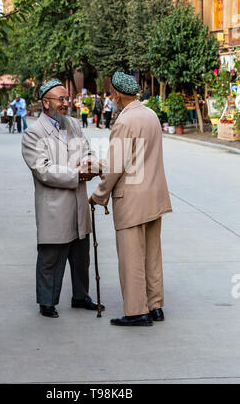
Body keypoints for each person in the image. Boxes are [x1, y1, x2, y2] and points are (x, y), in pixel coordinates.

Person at [89, 71, 172, 327]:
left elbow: (116, 166)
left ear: (116, 94)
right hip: (153, 196)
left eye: (111, 93)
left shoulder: (124, 121)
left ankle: (137, 312)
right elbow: (135, 157)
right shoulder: (150, 115)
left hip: (131, 198)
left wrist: (98, 195)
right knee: (152, 256)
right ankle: (155, 305)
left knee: (131, 257)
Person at [22, 78, 104, 319]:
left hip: (78, 202)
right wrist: (76, 173)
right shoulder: (33, 133)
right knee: (51, 257)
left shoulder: (74, 126)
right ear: (46, 103)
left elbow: (88, 151)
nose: (66, 103)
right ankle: (47, 302)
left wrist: (89, 163)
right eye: (61, 99)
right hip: (55, 206)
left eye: (67, 99)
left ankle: (81, 296)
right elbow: (43, 170)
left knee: (81, 257)